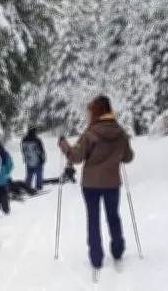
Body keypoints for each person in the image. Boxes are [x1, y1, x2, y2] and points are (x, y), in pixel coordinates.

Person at [58, 95, 134, 276]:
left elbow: (76, 157)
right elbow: (128, 157)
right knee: (113, 216)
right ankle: (117, 249)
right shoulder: (120, 133)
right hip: (112, 183)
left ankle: (96, 257)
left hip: (91, 184)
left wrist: (64, 145)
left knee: (93, 218)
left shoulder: (90, 133)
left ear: (95, 112)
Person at [0, 133, 13, 214]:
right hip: (2, 177)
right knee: (3, 192)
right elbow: (10, 165)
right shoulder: (5, 153)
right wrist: (6, 172)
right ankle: (5, 208)